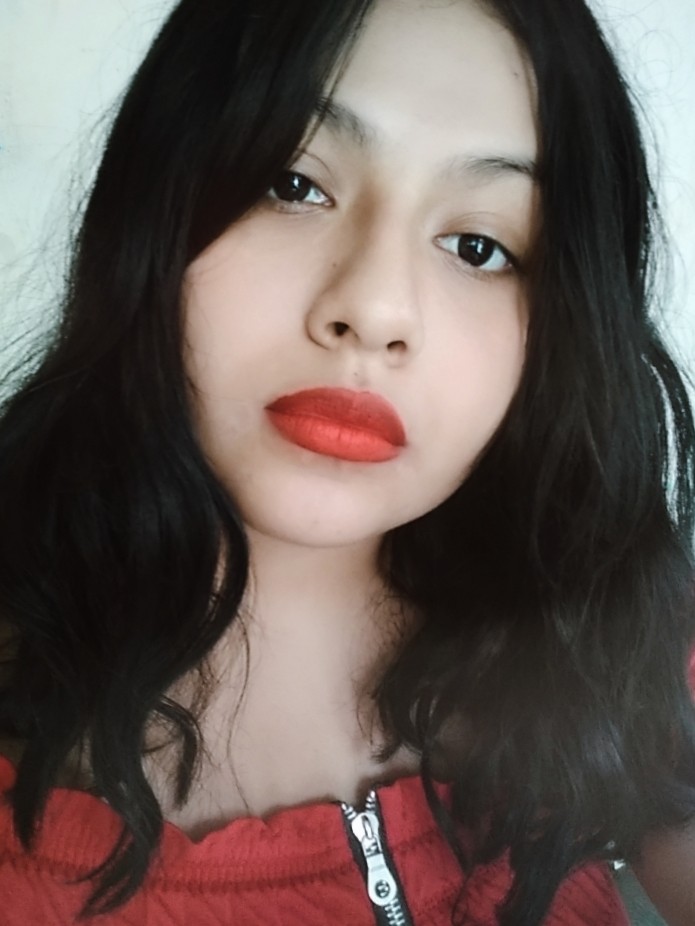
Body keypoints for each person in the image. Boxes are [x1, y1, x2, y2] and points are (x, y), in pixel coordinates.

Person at [0, 0, 694, 923]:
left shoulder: (607, 628)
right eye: (293, 185)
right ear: (154, 204)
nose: (372, 309)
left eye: (479, 246)